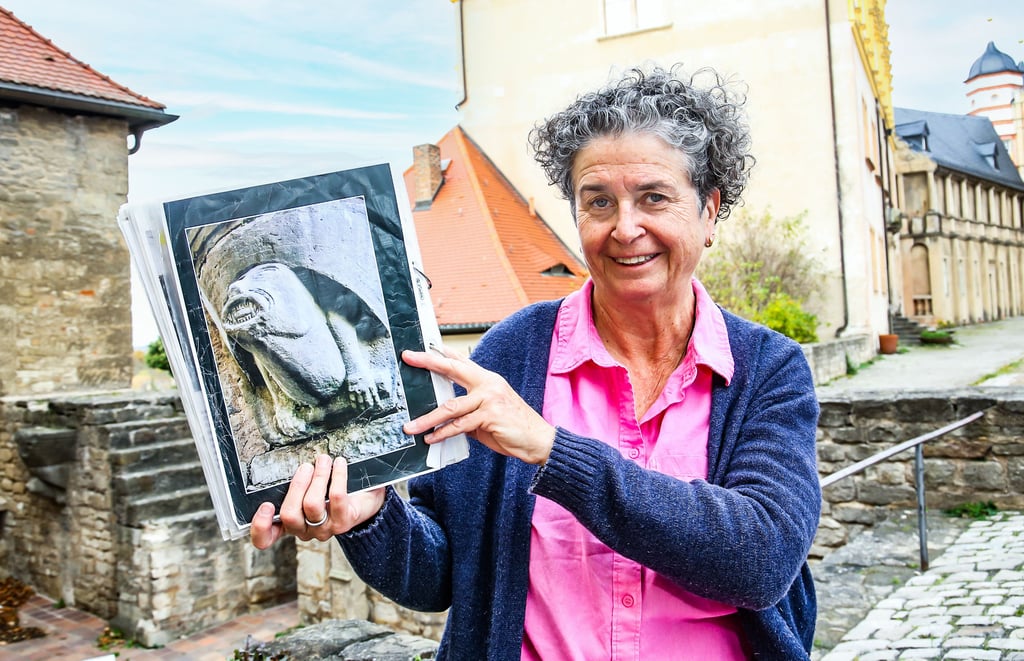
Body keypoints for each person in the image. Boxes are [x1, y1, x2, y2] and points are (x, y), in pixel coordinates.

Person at [250, 64, 821, 660]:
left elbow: (762, 559)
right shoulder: (512, 354)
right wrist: (371, 517)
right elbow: (440, 575)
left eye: (654, 198)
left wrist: (552, 450)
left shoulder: (767, 369)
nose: (625, 229)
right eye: (598, 202)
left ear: (708, 211)